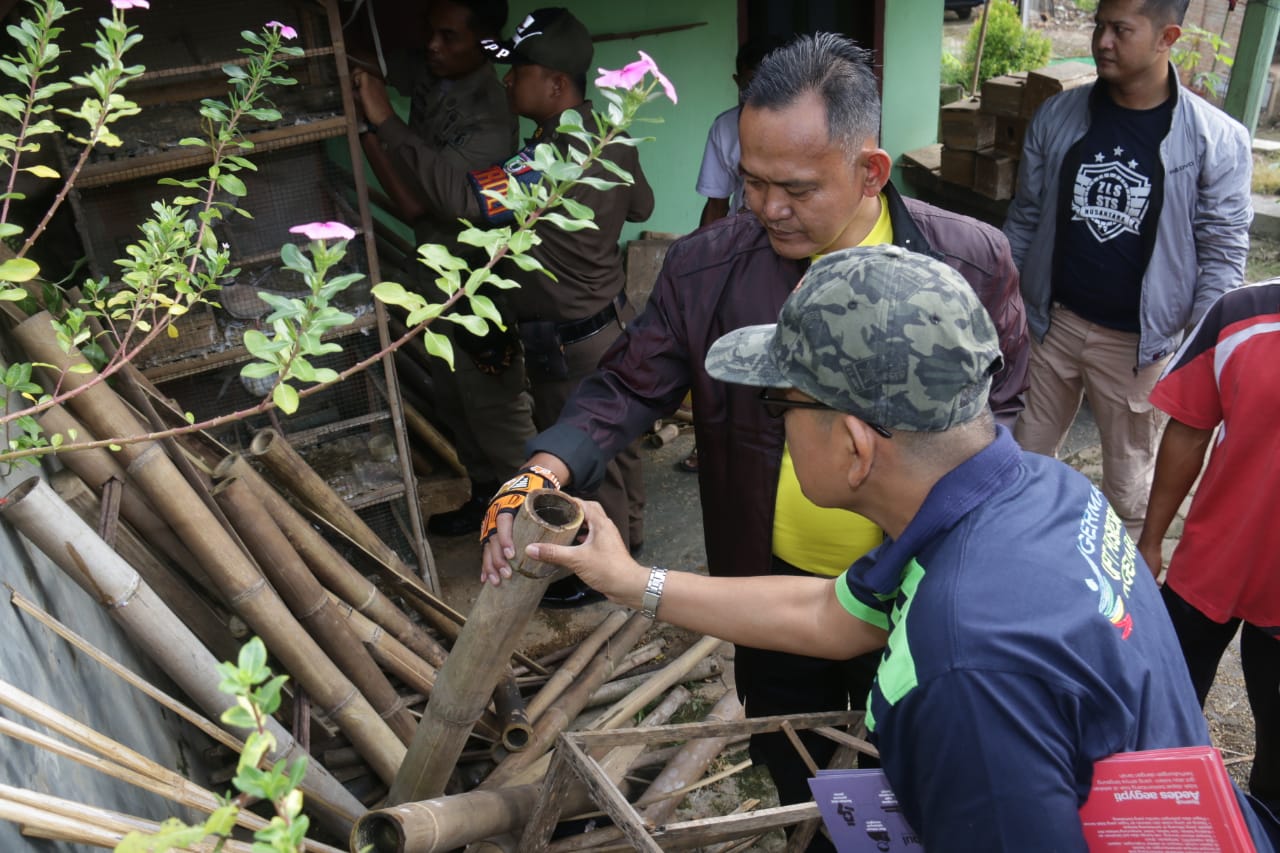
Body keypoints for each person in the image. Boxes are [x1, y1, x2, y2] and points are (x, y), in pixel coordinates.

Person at [515, 245, 1277, 851]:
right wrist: (631, 581)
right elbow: (830, 611)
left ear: (853, 446)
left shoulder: (963, 664)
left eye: (781, 402)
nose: (775, 423)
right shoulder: (1038, 492)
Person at [479, 32, 1029, 845]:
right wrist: (541, 468)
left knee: (919, 769)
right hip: (771, 587)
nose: (767, 208)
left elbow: (1005, 411)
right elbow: (629, 384)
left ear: (869, 171)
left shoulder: (968, 263)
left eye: (796, 188)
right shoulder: (711, 268)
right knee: (792, 758)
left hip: (921, 590)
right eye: (752, 179)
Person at [361, 7, 654, 576]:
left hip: (572, 338)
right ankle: (630, 543)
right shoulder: (606, 133)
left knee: (585, 455)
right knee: (613, 449)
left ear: (556, 84)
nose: (506, 80)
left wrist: (388, 125)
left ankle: (602, 575)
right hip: (604, 322)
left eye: (518, 72)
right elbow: (641, 204)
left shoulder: (548, 155)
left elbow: (464, 199)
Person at [1002, 0, 1252, 539]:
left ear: (1167, 37)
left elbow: (1222, 255)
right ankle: (1021, 562)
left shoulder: (1217, 140)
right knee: (1019, 462)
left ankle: (1125, 600)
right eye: (1099, 26)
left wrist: (1196, 352)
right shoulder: (1058, 116)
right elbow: (1024, 217)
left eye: (1120, 30)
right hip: (1052, 325)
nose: (1102, 42)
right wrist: (1006, 306)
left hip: (1139, 348)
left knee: (1129, 488)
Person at [352, 0, 536, 537]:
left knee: (496, 410)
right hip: (437, 273)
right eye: (432, 34)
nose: (433, 46)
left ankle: (528, 525)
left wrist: (378, 124)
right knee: (455, 398)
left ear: (482, 42)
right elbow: (383, 64)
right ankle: (486, 500)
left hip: (480, 283)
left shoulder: (490, 117)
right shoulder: (434, 71)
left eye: (448, 37)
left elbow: (427, 202)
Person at [1137, 280, 1280, 817]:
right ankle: (1158, 820)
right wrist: (1151, 542)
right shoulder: (1241, 312)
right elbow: (1189, 429)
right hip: (1209, 565)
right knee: (1160, 717)